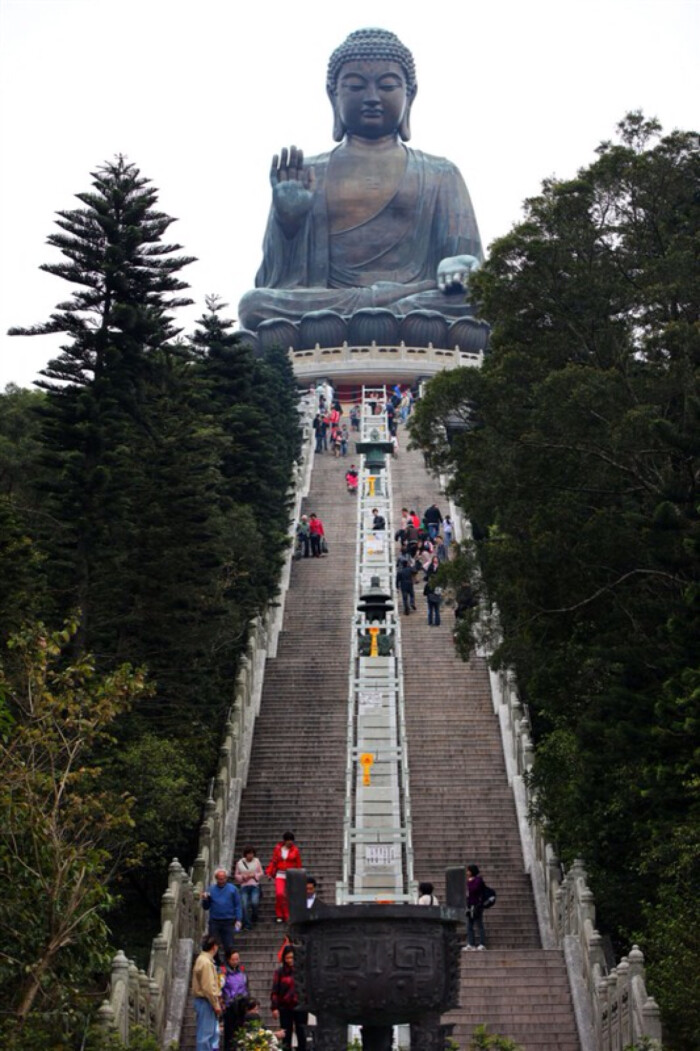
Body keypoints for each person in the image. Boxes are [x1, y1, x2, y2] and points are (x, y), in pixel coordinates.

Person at [238, 28, 482, 331]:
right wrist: (290, 224)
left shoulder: (440, 172)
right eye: (355, 86)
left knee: (479, 300)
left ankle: (378, 318)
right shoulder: (307, 173)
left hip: (414, 299)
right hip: (333, 303)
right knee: (255, 304)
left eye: (388, 86)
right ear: (333, 95)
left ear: (410, 94)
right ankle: (378, 318)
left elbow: (472, 268)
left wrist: (459, 265)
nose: (371, 98)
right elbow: (273, 281)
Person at [271, 945, 308, 1051]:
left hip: (300, 1006)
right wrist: (274, 1007)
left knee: (302, 1034)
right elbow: (275, 990)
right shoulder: (279, 972)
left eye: (292, 957)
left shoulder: (302, 971)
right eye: (287, 958)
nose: (290, 960)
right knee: (286, 1036)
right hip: (285, 1007)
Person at [201, 868, 243, 960]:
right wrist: (205, 899)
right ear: (216, 878)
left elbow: (238, 905)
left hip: (229, 921)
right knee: (212, 944)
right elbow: (206, 907)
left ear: (226, 878)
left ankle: (229, 964)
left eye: (223, 878)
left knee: (229, 945)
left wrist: (239, 919)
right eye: (220, 878)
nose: (222, 880)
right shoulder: (211, 889)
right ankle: (216, 963)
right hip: (215, 921)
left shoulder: (233, 889)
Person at [191, 934, 222, 1051]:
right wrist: (216, 1004)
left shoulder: (202, 960)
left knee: (211, 1034)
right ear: (214, 947)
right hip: (205, 1000)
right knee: (206, 1035)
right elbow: (208, 987)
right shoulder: (206, 962)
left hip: (204, 1000)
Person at [266, 831, 303, 923]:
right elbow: (273, 861)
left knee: (288, 895)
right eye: (288, 840)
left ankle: (286, 915)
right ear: (285, 840)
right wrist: (269, 872)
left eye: (291, 840)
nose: (290, 842)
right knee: (280, 894)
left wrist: (299, 875)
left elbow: (298, 863)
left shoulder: (295, 850)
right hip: (280, 874)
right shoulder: (278, 849)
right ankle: (279, 914)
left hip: (291, 874)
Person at [221, 949, 250, 1051]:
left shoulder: (242, 971)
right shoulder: (223, 972)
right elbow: (220, 989)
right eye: (233, 959)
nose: (235, 961)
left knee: (241, 1034)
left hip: (241, 1006)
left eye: (237, 959)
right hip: (229, 1006)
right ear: (228, 960)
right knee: (229, 1035)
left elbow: (246, 987)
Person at [234, 846, 264, 929]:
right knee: (244, 904)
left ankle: (254, 915)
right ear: (245, 854)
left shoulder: (257, 861)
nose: (250, 855)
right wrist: (243, 877)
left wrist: (254, 875)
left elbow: (261, 872)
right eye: (249, 854)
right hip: (244, 885)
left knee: (255, 902)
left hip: (254, 885)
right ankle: (247, 924)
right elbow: (236, 875)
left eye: (252, 853)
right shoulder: (239, 863)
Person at [465, 864, 487, 950]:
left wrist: (469, 883)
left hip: (477, 905)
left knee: (479, 924)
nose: (467, 872)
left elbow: (474, 889)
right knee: (469, 925)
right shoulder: (468, 880)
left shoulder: (478, 880)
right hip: (469, 904)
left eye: (468, 870)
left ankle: (482, 943)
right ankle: (471, 943)